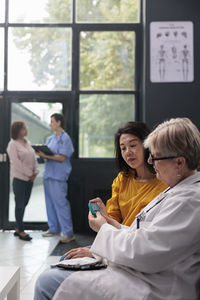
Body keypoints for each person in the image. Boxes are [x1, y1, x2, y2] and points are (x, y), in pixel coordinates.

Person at [35, 117, 200, 300]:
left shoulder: (189, 200)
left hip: (154, 283)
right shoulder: (175, 190)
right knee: (63, 265)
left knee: (48, 281)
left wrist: (103, 229)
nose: (151, 161)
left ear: (179, 163)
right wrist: (111, 223)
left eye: (155, 157)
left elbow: (144, 250)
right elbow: (144, 235)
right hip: (132, 257)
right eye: (123, 148)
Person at [61, 121, 167, 260]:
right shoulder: (123, 179)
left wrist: (96, 252)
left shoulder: (165, 183)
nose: (128, 152)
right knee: (66, 258)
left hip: (138, 249)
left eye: (133, 145)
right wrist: (104, 217)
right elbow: (113, 219)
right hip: (115, 242)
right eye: (123, 148)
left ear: (147, 145)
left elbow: (151, 237)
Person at [36, 113, 74, 244]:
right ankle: (54, 229)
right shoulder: (50, 139)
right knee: (50, 204)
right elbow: (48, 155)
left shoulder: (65, 138)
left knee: (61, 204)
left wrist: (48, 156)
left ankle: (68, 233)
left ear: (58, 122)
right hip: (48, 174)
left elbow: (62, 157)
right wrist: (40, 154)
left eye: (52, 121)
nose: (50, 124)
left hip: (58, 176)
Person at [7, 121, 38, 241]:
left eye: (26, 127)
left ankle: (17, 227)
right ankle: (21, 230)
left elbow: (33, 159)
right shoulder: (12, 144)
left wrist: (35, 172)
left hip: (30, 179)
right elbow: (16, 163)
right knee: (19, 204)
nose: (26, 130)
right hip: (19, 179)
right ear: (17, 131)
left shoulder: (27, 143)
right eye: (23, 128)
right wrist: (30, 174)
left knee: (24, 203)